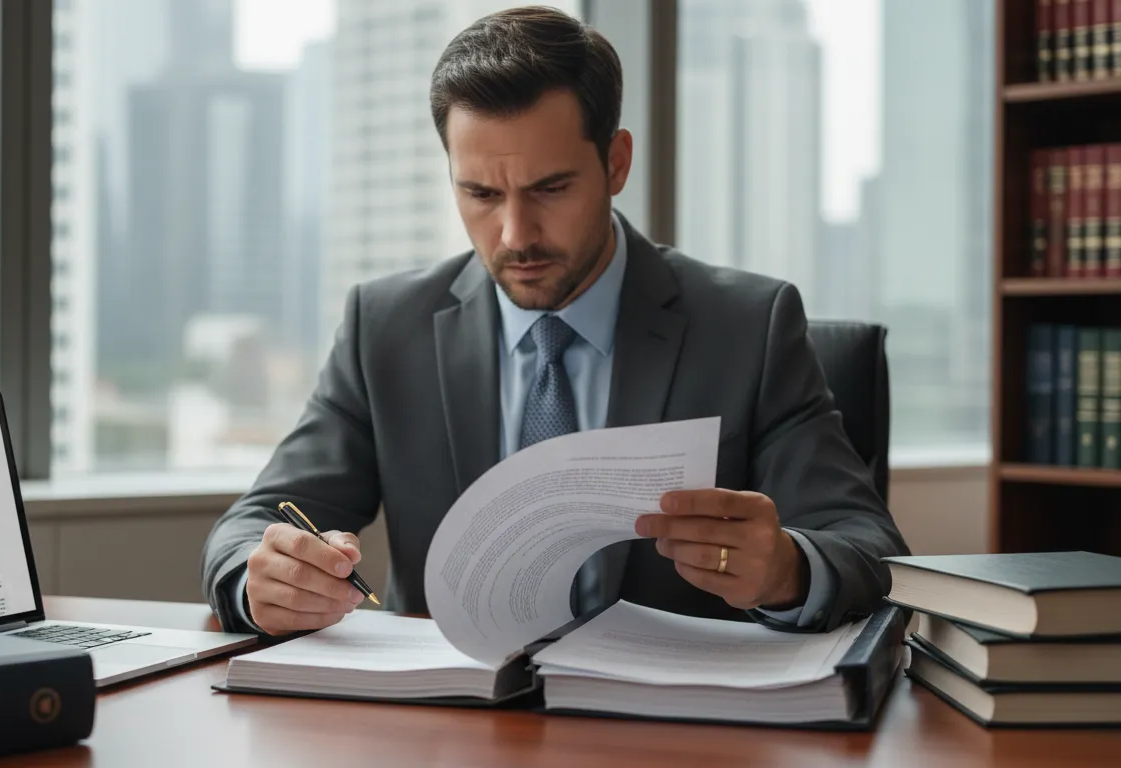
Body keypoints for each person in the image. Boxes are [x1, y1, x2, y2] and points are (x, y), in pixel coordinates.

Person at [201, 6, 909, 637]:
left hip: (674, 732)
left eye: (551, 188)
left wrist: (787, 568)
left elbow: (869, 546)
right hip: (451, 728)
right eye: (480, 192)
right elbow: (254, 524)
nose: (514, 234)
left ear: (617, 161)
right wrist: (259, 577)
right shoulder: (385, 327)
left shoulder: (748, 327)